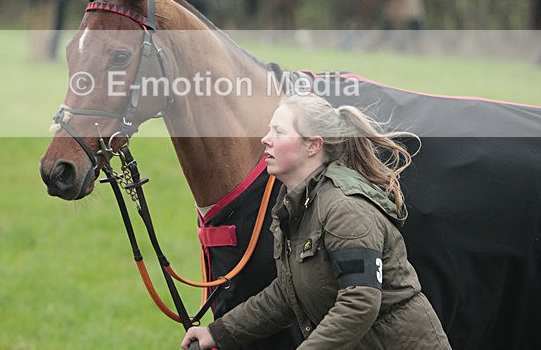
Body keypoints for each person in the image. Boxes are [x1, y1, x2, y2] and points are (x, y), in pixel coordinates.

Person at [182, 94, 450, 349]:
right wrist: (217, 333)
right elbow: (289, 294)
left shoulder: (345, 209)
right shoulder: (298, 205)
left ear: (313, 145)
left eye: (279, 131)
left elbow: (360, 302)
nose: (265, 140)